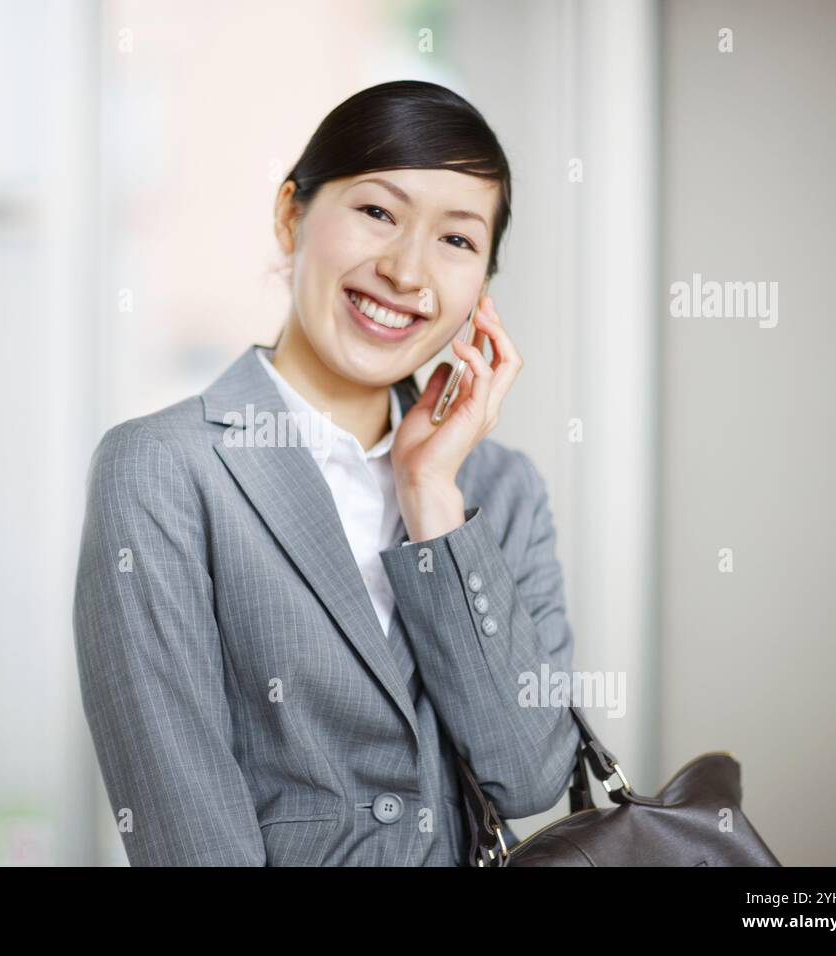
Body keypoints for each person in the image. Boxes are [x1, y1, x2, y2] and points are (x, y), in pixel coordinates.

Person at [73, 79, 580, 865]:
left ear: (481, 290)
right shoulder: (162, 470)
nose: (408, 272)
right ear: (291, 215)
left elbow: (531, 776)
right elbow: (188, 836)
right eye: (378, 212)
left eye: (457, 241)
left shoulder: (501, 490)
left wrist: (430, 496)